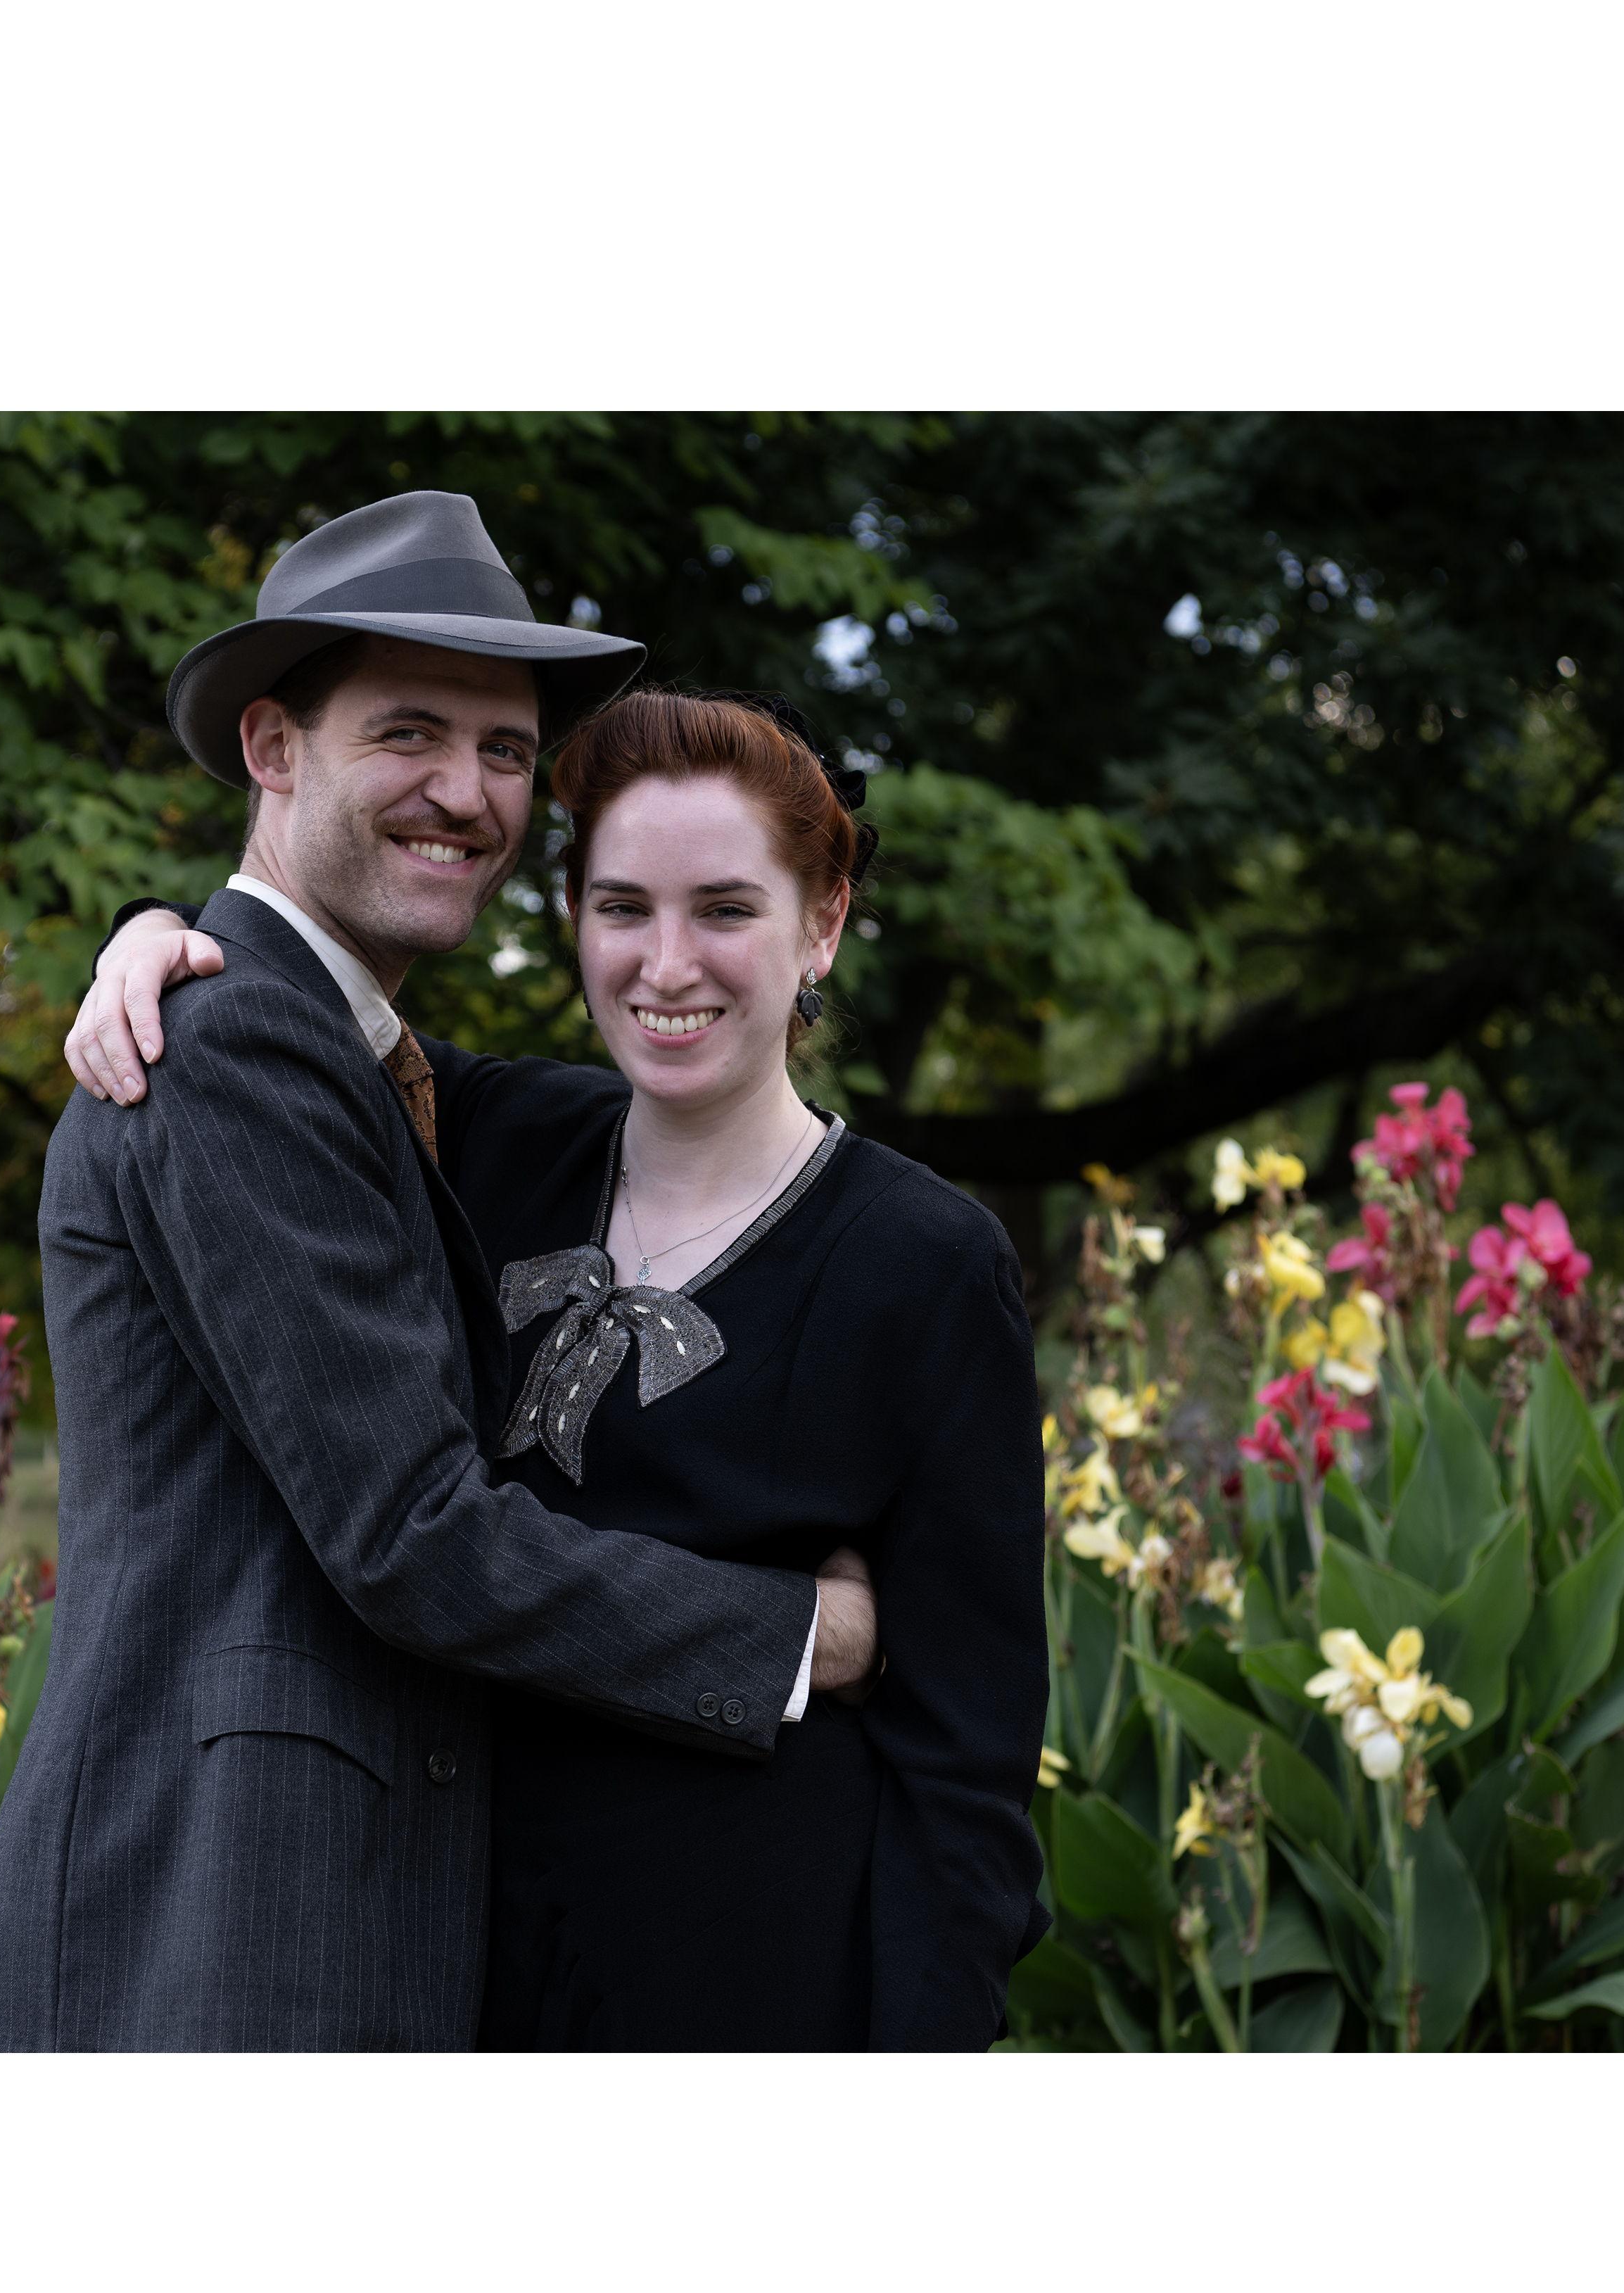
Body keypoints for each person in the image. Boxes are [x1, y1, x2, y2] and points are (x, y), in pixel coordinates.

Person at [0, 493, 877, 2053]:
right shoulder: (232, 1049)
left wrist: (153, 927)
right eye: (408, 734)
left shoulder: (349, 1057)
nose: (466, 792)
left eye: (506, 749)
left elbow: (670, 1101)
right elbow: (410, 1535)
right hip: (217, 1936)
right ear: (272, 746)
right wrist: (804, 1633)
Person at [80, 684, 1048, 2049]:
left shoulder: (929, 1263)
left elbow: (968, 1771)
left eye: (725, 909)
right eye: (621, 908)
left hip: (756, 1993)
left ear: (823, 923)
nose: (667, 965)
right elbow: (287, 1005)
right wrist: (152, 937)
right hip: (449, 1973)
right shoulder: (486, 1139)